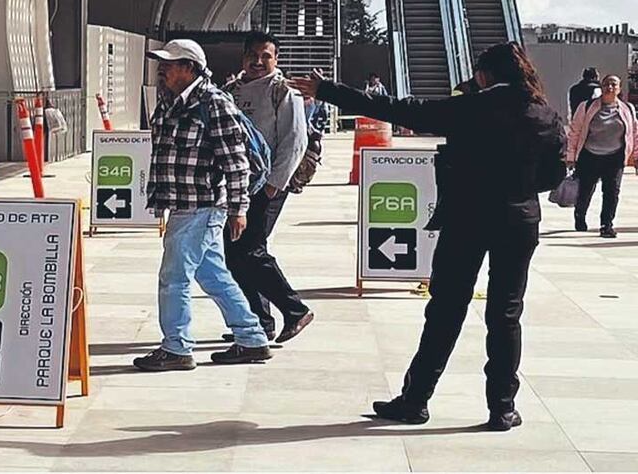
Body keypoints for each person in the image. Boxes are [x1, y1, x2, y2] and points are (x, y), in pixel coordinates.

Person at [291, 42, 566, 432]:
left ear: (485, 75)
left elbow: (399, 109)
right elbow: (553, 176)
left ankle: (415, 399)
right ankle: (502, 407)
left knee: (446, 308)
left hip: (467, 217)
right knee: (506, 312)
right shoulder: (546, 115)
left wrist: (329, 91)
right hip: (518, 220)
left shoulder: (472, 107)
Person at [133, 39, 272, 372]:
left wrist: (239, 210)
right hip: (182, 205)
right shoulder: (168, 101)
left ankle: (177, 347)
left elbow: (236, 163)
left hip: (203, 206)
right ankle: (252, 339)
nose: (162, 68)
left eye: (170, 63)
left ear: (190, 68)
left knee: (174, 277)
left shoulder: (213, 104)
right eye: (161, 62)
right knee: (213, 275)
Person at [221, 32, 313, 343]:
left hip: (268, 185)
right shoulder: (231, 90)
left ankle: (295, 310)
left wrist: (275, 184)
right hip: (239, 184)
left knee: (249, 250)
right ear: (243, 57)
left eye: (266, 56)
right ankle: (259, 321)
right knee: (235, 254)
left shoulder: (283, 91)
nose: (258, 62)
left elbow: (295, 140)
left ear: (276, 59)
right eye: (253, 56)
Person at [567, 75, 637, 238]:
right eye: (606, 84)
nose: (610, 88)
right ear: (601, 87)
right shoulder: (587, 106)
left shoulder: (627, 109)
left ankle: (607, 225)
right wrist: (570, 155)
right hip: (590, 155)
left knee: (612, 192)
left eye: (614, 85)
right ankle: (580, 215)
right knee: (586, 190)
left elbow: (634, 133)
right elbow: (575, 131)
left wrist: (635, 156)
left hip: (615, 157)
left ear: (619, 89)